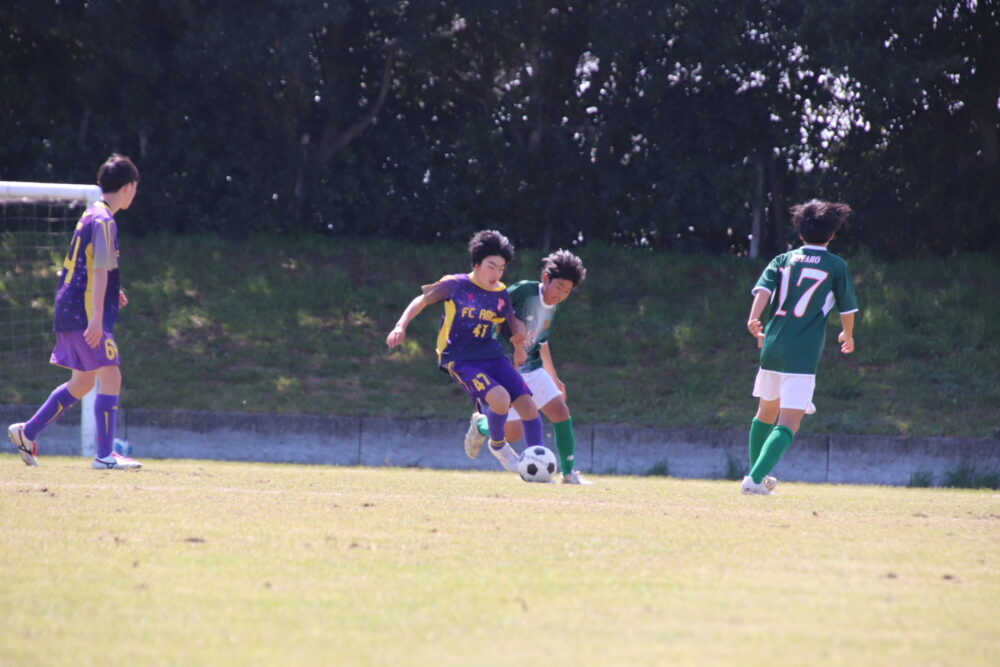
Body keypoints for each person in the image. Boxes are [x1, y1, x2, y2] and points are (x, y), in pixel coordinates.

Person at [7, 154, 142, 470]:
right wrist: (96, 317)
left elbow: (89, 263)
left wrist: (111, 293)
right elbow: (98, 270)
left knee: (82, 383)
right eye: (135, 188)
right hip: (83, 313)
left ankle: (27, 432)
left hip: (68, 307)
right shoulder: (105, 220)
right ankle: (105, 456)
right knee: (111, 374)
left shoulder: (91, 214)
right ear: (128, 187)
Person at [385, 230, 548, 472]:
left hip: (491, 355)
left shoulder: (500, 294)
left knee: (528, 406)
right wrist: (401, 325)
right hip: (459, 358)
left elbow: (509, 324)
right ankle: (498, 446)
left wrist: (518, 346)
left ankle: (539, 460)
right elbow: (421, 300)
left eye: (501, 269)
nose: (496, 274)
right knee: (501, 399)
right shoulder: (455, 284)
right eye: (491, 267)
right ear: (476, 264)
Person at [741, 200, 857, 495]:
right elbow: (847, 308)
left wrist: (754, 319)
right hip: (802, 352)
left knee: (765, 412)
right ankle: (754, 481)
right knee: (790, 422)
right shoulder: (836, 265)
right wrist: (848, 335)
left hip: (772, 345)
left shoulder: (782, 260)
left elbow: (763, 291)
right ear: (832, 234)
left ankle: (757, 475)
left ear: (800, 232)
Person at [463, 250, 591, 484]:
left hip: (532, 368)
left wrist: (554, 377)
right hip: (505, 368)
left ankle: (568, 473)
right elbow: (494, 308)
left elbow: (541, 343)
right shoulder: (524, 291)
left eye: (567, 291)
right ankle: (481, 425)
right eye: (559, 287)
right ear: (545, 278)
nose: (561, 294)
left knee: (561, 412)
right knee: (512, 433)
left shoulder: (552, 308)